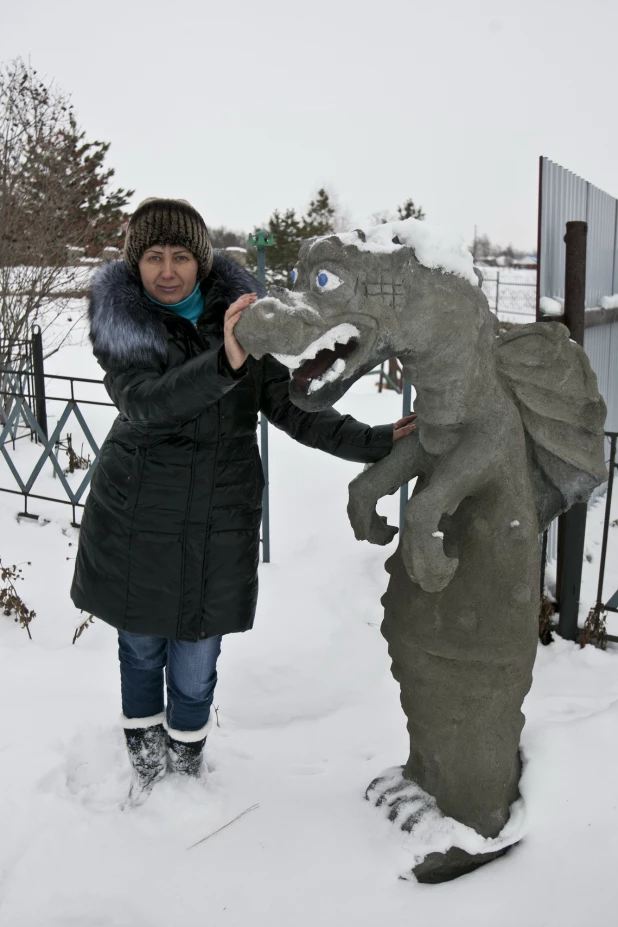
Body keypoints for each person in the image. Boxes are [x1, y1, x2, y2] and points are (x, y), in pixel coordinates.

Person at [70, 198, 416, 804]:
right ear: (137, 262)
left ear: (201, 261)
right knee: (141, 649)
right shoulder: (124, 327)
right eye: (154, 256)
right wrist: (226, 360)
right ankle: (148, 771)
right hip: (135, 518)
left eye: (181, 255)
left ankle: (186, 767)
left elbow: (292, 409)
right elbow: (145, 405)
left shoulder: (246, 323)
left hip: (216, 522)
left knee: (198, 662)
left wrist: (375, 441)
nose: (168, 270)